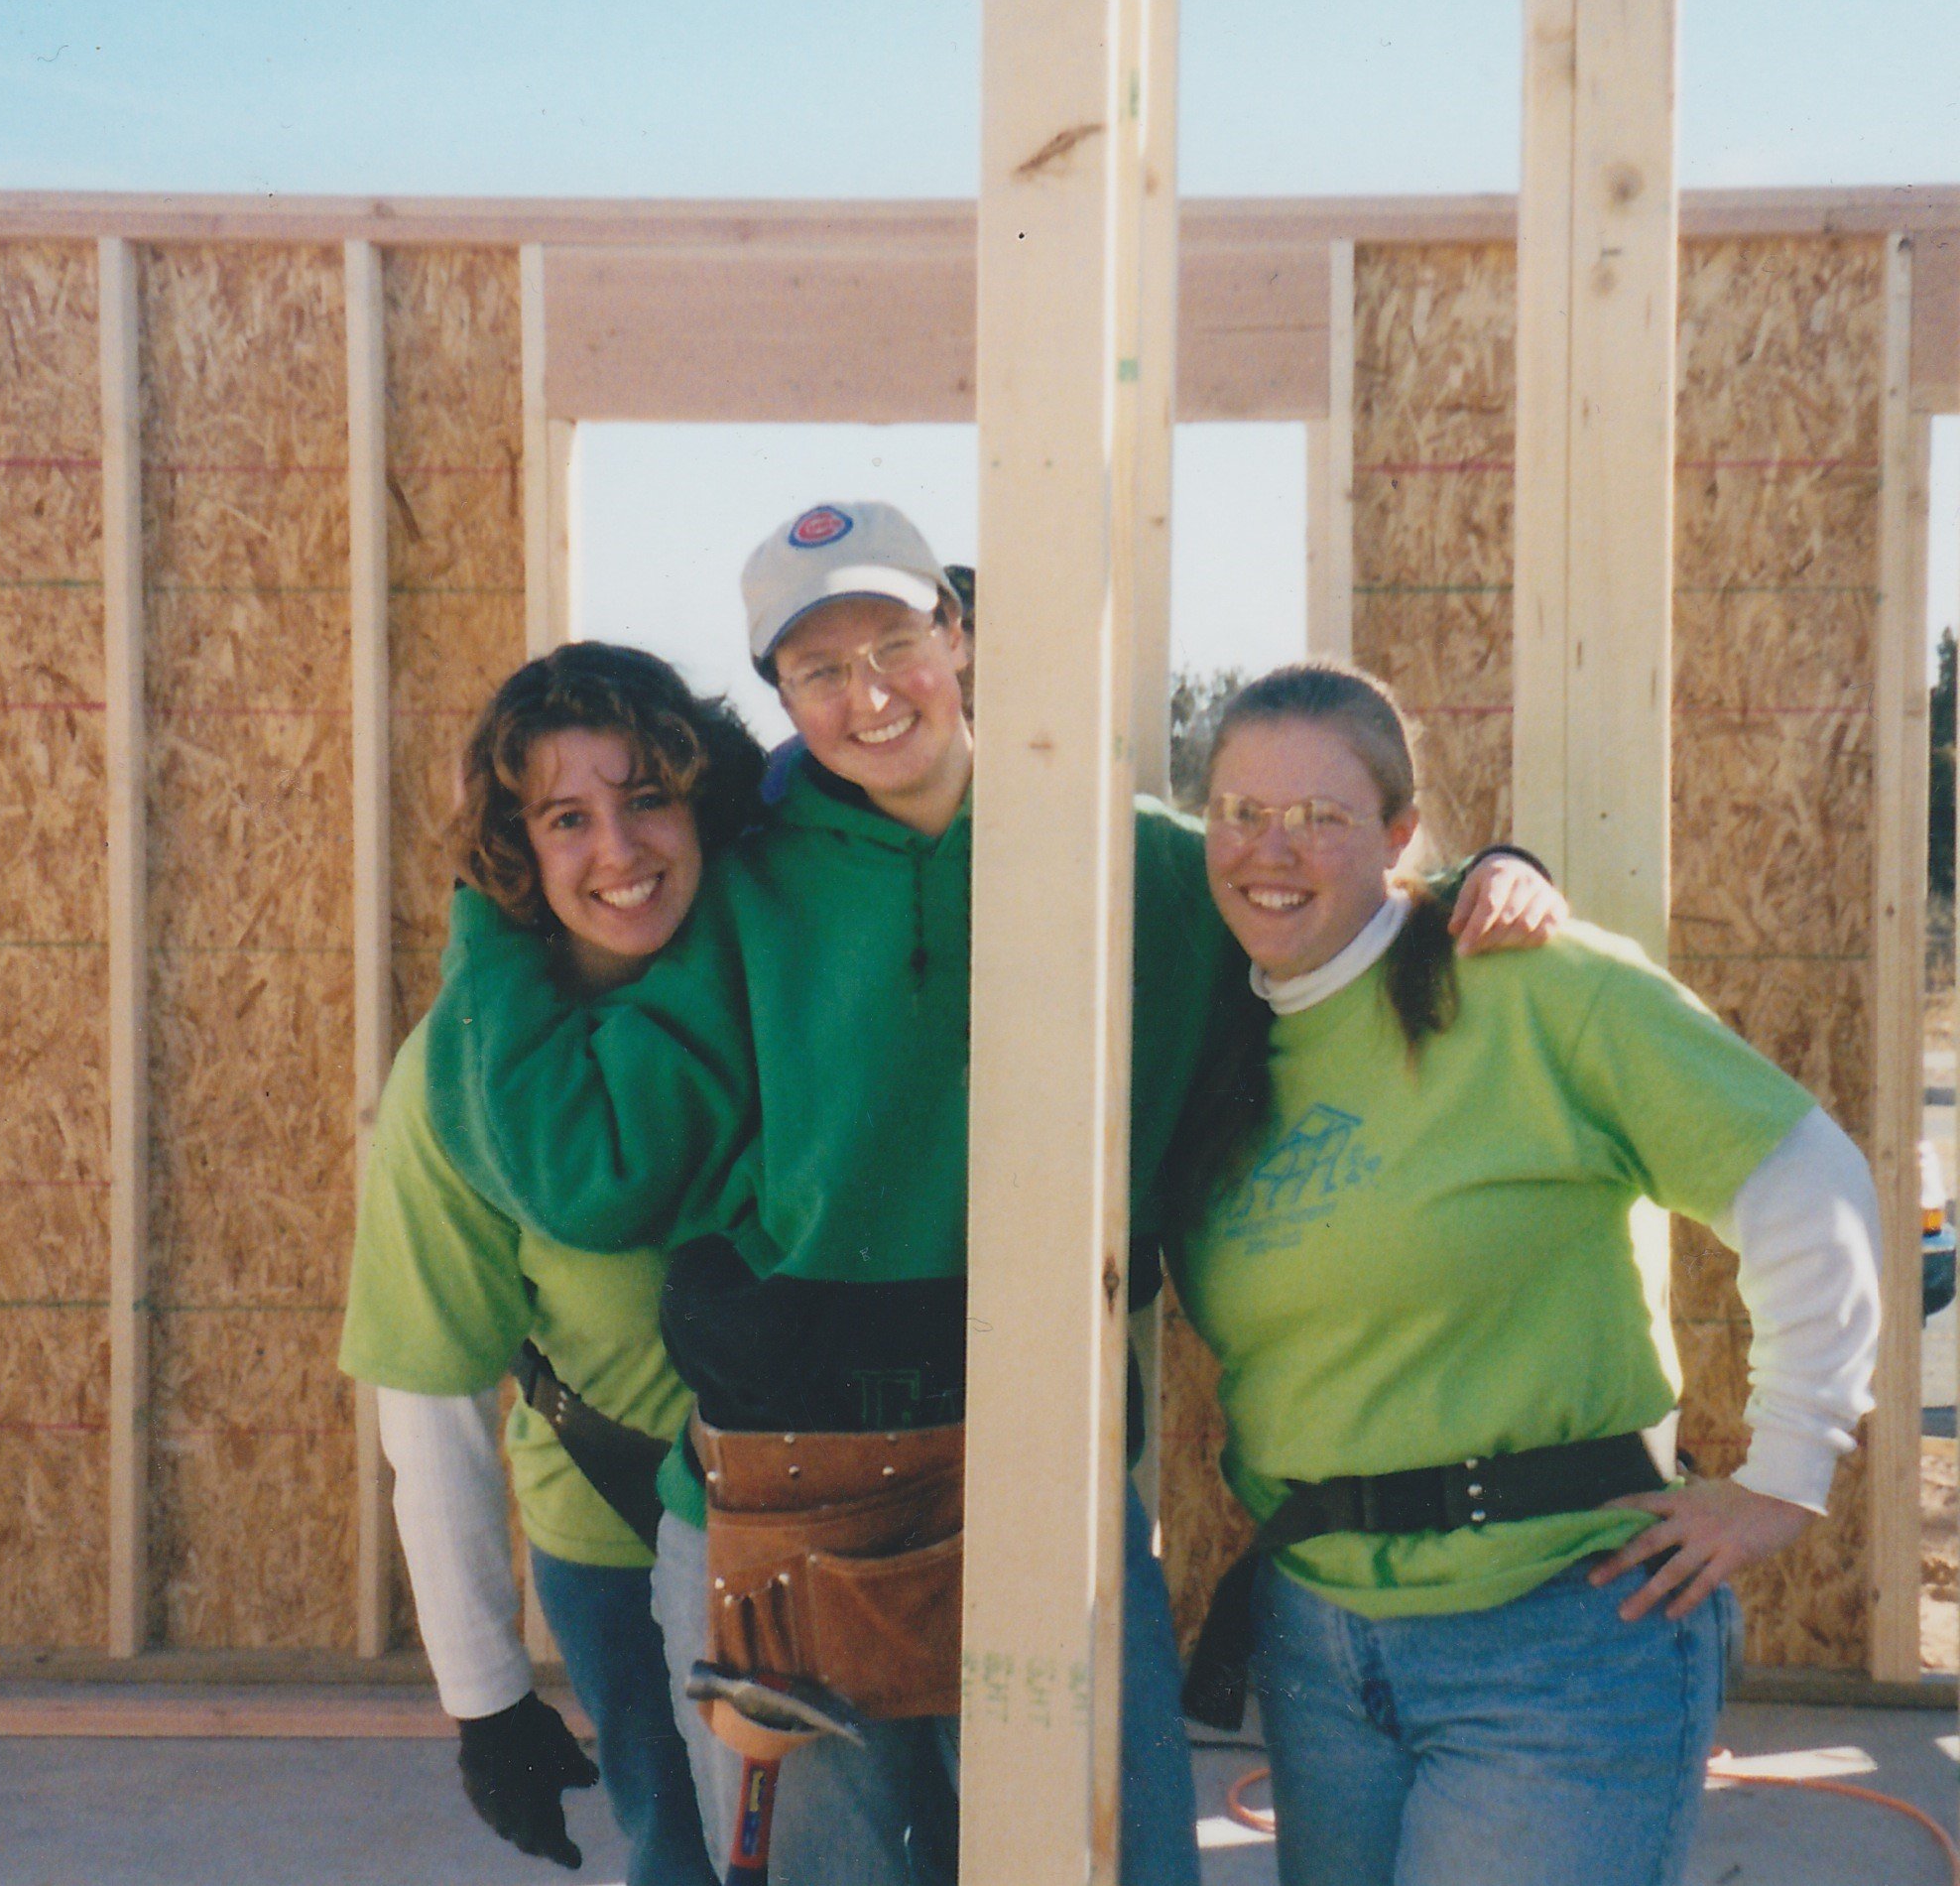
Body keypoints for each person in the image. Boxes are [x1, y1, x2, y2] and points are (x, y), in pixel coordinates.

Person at [423, 504, 1564, 1884]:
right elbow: (584, 1178)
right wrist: (491, 886)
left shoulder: (1137, 864)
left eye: (897, 641)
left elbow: (1319, 902)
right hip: (789, 1515)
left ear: (959, 635)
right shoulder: (741, 890)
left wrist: (1492, 880)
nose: (870, 692)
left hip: (1041, 1497)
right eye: (820, 669)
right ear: (781, 697)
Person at [1167, 661, 1883, 1886]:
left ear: (1400, 835)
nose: (1270, 848)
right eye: (1240, 811)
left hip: (1557, 1633)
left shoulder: (1533, 987)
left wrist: (1788, 1474)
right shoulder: (1219, 1031)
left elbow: (1806, 1181)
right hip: (1318, 1637)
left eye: (1322, 817)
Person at [337, 642, 765, 1885]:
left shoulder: (784, 976)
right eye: (568, 818)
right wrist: (485, 1698)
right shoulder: (461, 1078)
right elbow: (432, 1394)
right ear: (517, 849)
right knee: (684, 1854)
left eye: (647, 799)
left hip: (838, 1511)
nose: (619, 852)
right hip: (622, 1532)